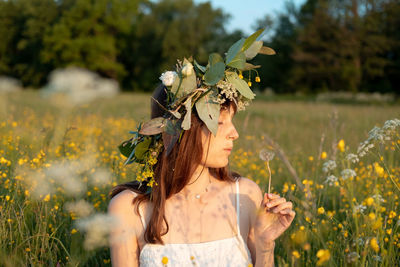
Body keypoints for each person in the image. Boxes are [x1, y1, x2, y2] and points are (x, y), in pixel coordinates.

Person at [108, 30, 295, 267]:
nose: (234, 133)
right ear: (183, 131)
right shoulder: (129, 209)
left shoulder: (245, 196)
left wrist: (265, 244)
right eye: (219, 122)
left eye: (233, 121)